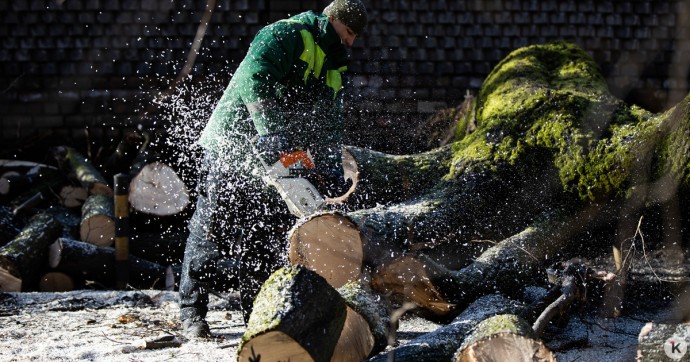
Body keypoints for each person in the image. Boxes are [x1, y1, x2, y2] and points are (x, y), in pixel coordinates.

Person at [179, 0, 368, 338]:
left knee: (264, 230)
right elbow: (255, 80)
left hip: (277, 152)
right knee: (212, 224)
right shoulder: (284, 33)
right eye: (349, 32)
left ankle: (256, 312)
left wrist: (327, 170)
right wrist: (274, 138)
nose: (351, 42)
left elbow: (329, 122)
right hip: (233, 140)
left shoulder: (334, 63)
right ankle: (192, 311)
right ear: (333, 20)